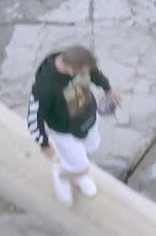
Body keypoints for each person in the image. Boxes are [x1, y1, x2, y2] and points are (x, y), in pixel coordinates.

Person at [27, 44, 122, 206]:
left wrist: (108, 89)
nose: (87, 74)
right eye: (83, 72)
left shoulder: (81, 65)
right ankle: (62, 174)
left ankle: (73, 167)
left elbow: (94, 73)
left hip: (87, 116)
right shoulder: (45, 88)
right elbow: (33, 117)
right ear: (71, 69)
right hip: (65, 130)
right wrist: (43, 143)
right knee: (81, 165)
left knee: (92, 147)